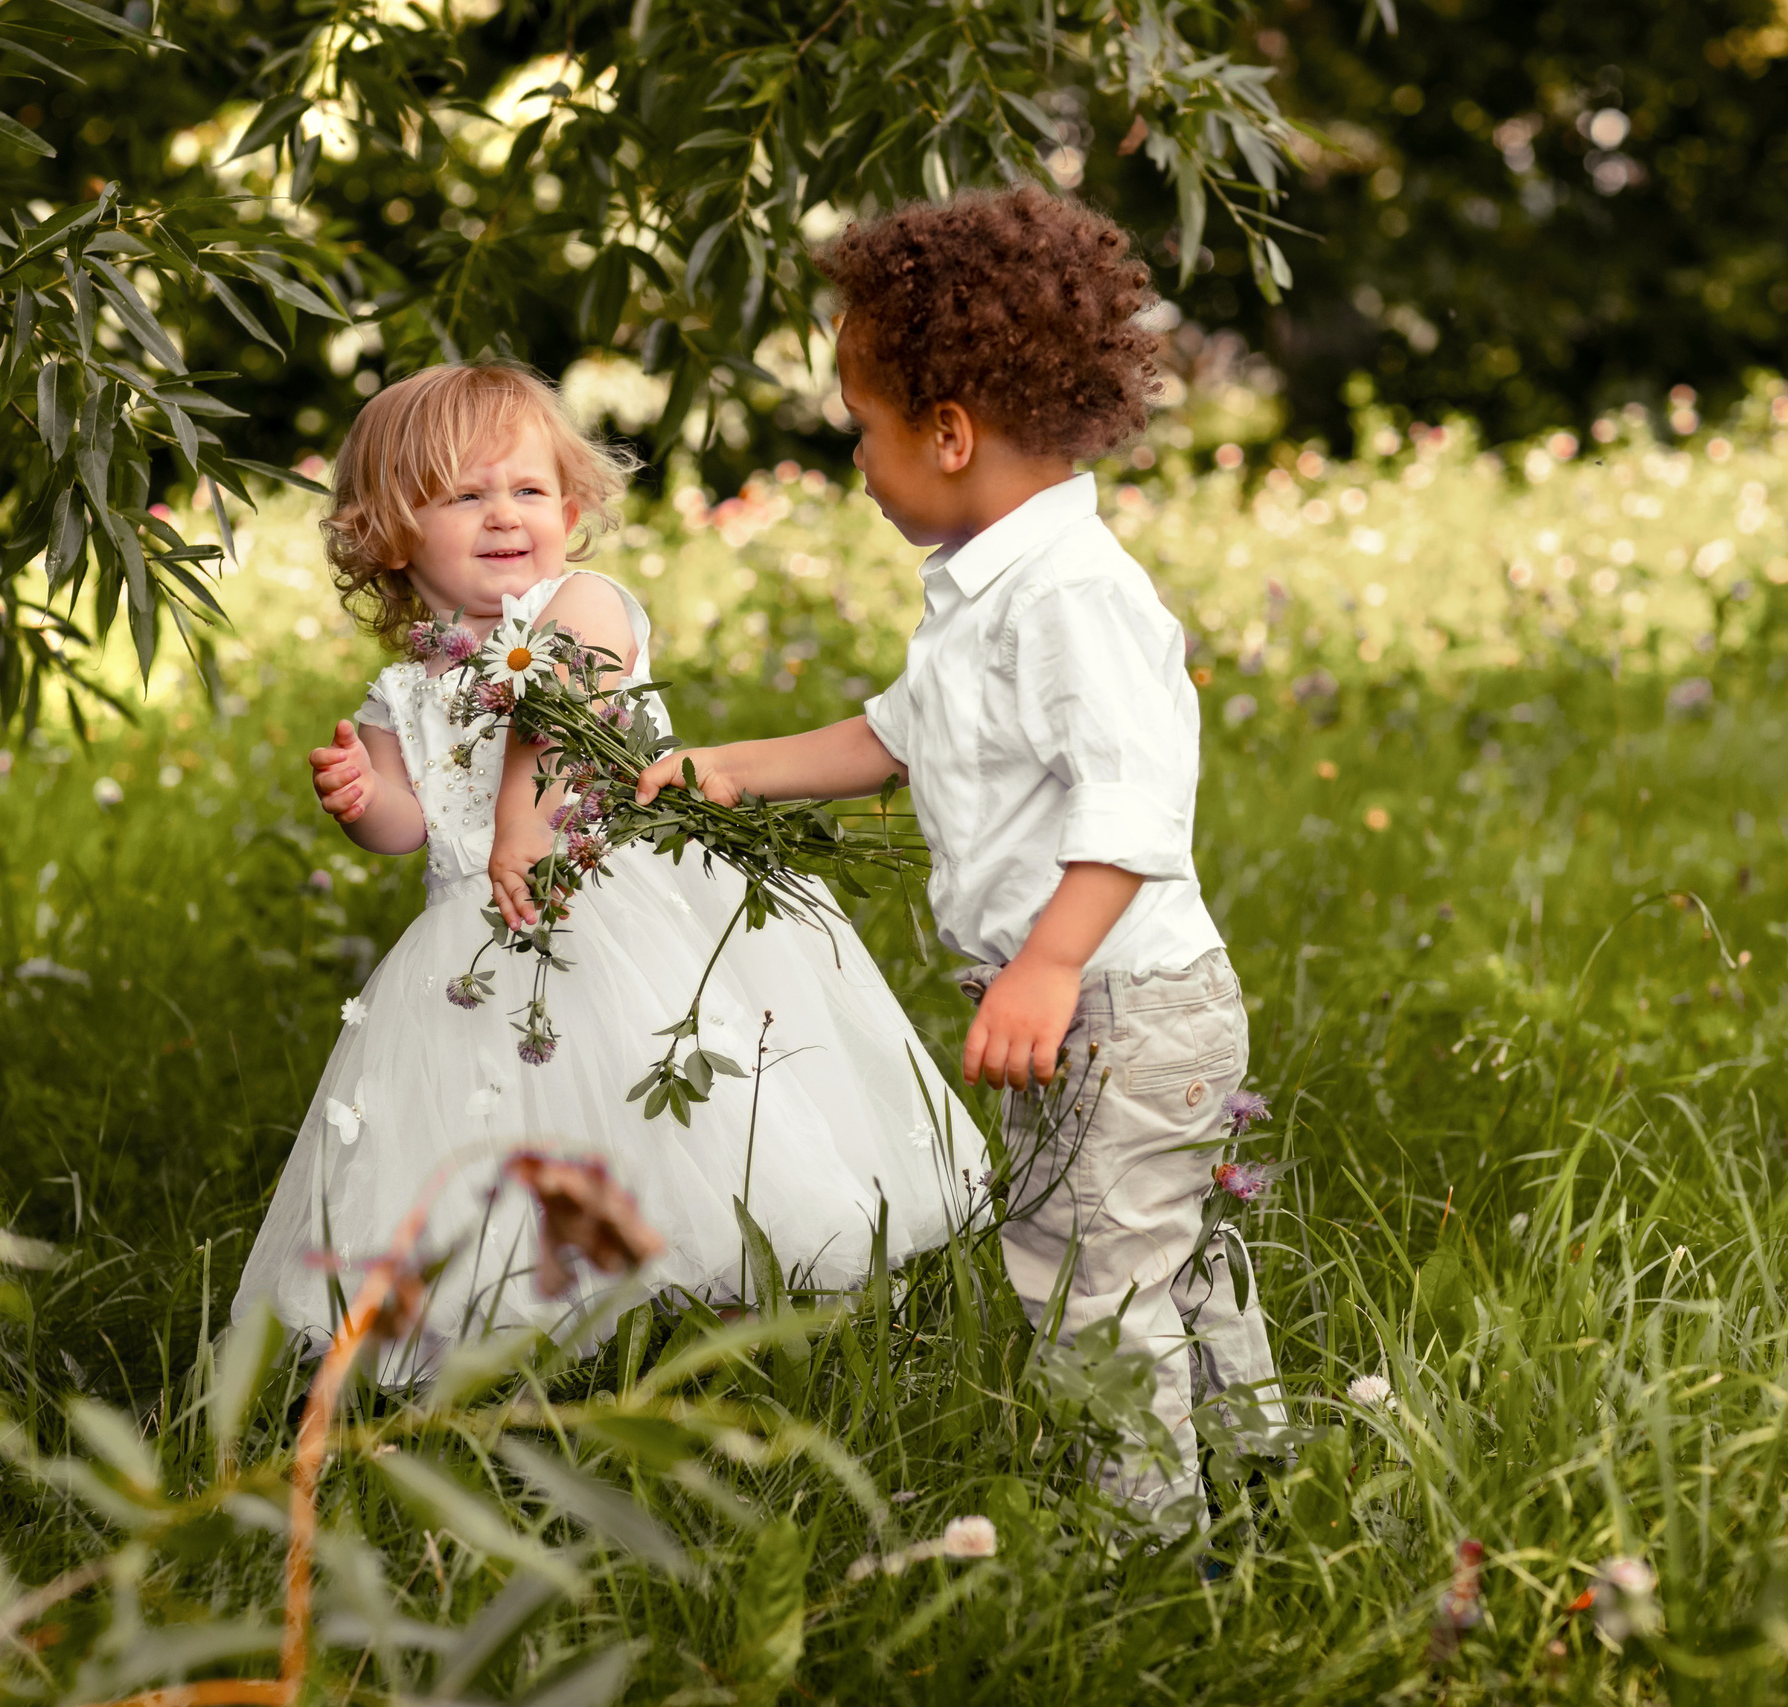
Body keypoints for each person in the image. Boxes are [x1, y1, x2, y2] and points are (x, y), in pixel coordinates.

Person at [635, 187, 1286, 1530]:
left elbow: (1137, 799)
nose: (856, 463)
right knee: (1159, 1254)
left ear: (947, 430)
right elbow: (896, 733)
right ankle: (1253, 1474)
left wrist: (1046, 966)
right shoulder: (989, 588)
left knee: (1088, 1271)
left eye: (862, 430)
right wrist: (738, 765)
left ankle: (1146, 1539)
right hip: (1091, 1007)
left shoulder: (1070, 597)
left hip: (1118, 1003)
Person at [232, 361, 971, 1363]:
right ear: (390, 529)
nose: (504, 515)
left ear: (571, 512)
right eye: (464, 495)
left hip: (625, 904)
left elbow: (565, 702)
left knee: (671, 1103)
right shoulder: (403, 686)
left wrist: (521, 822)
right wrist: (363, 802)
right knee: (503, 1125)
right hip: (480, 941)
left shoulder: (579, 604)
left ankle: (728, 1298)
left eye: (528, 490)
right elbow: (411, 825)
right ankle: (551, 1315)